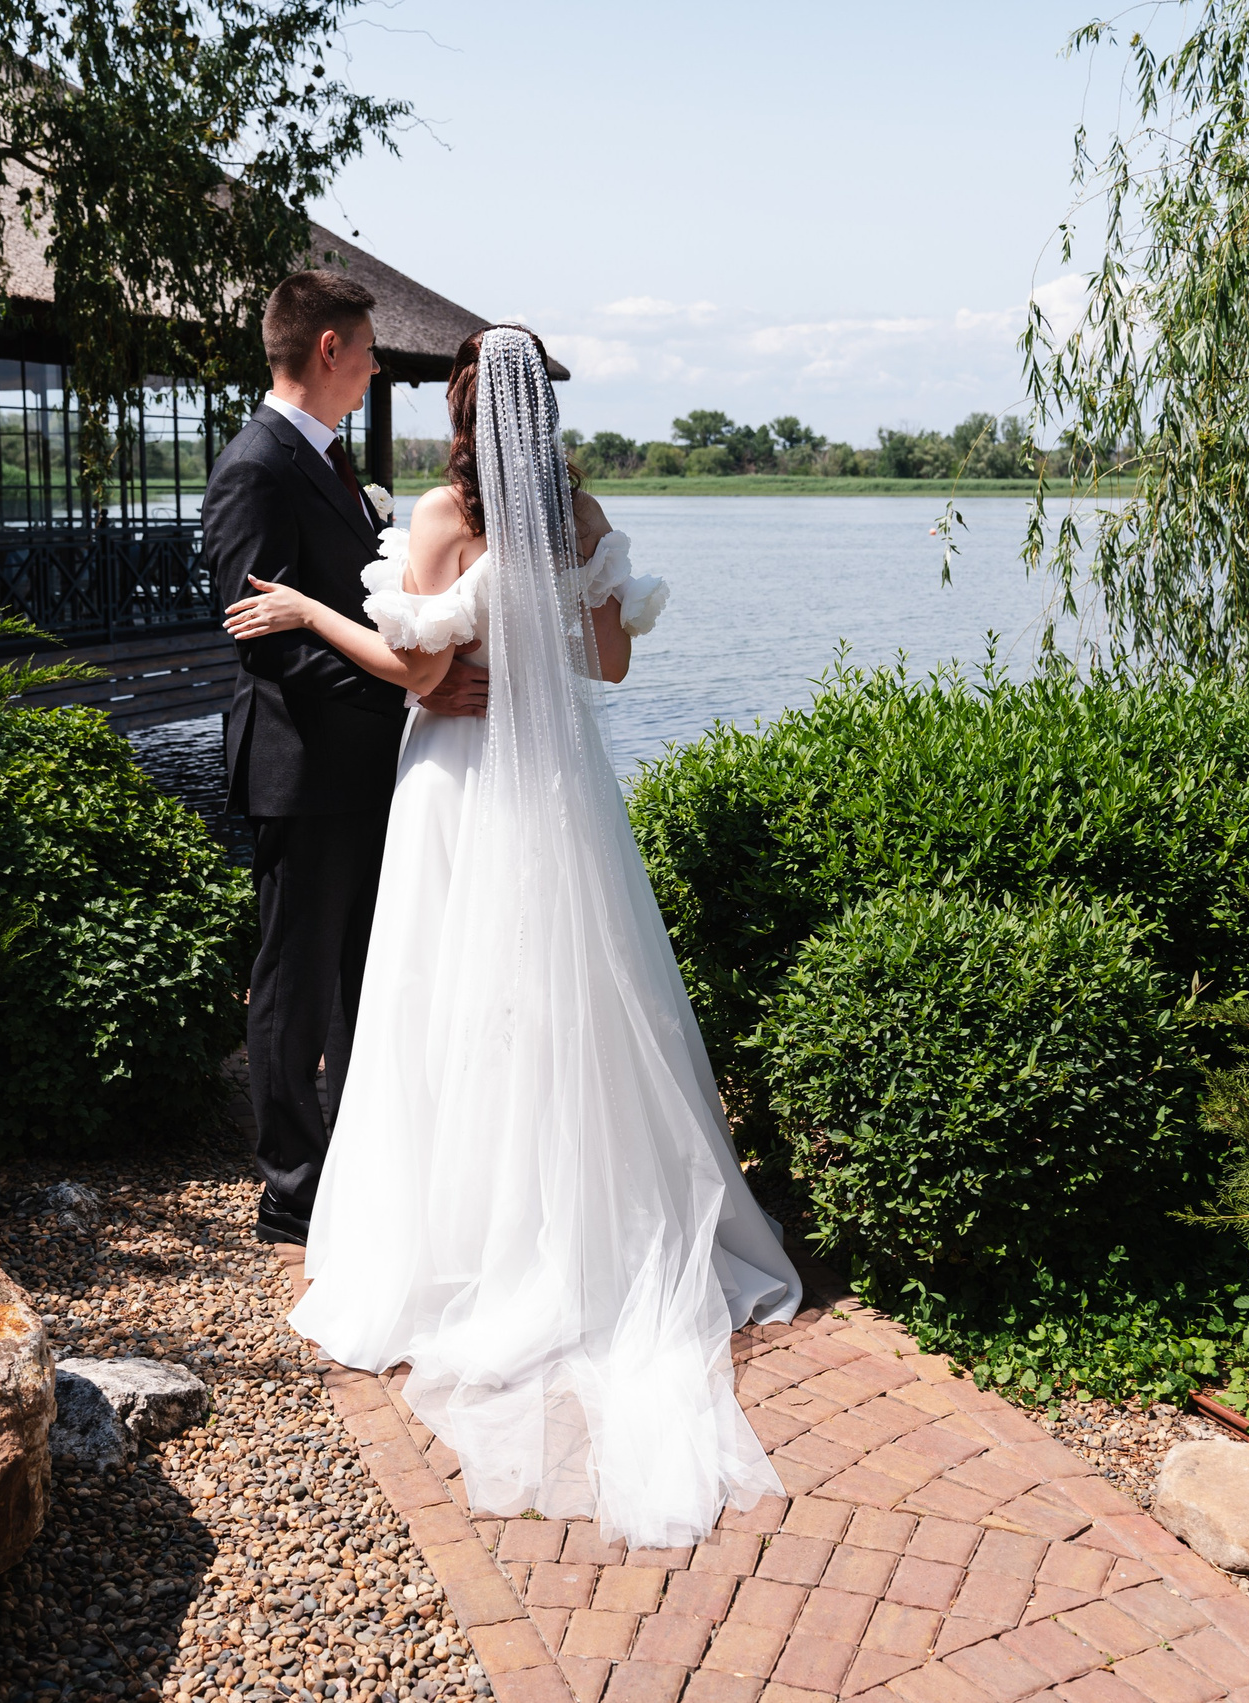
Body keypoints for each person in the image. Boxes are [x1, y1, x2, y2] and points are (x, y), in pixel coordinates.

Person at [220, 326, 802, 1549]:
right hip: (561, 787)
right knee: (573, 990)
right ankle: (589, 1226)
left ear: (465, 416)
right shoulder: (581, 519)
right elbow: (612, 662)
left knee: (452, 999)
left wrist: (311, 611)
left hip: (459, 786)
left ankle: (469, 1241)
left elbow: (418, 675)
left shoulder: (438, 518)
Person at [204, 270, 488, 1246]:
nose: (373, 369)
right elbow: (265, 640)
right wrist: (410, 686)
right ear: (329, 349)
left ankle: (369, 1164)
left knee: (372, 971)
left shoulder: (326, 462)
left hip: (371, 764)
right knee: (295, 978)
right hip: (301, 766)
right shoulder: (255, 465)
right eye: (366, 352)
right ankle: (292, 1191)